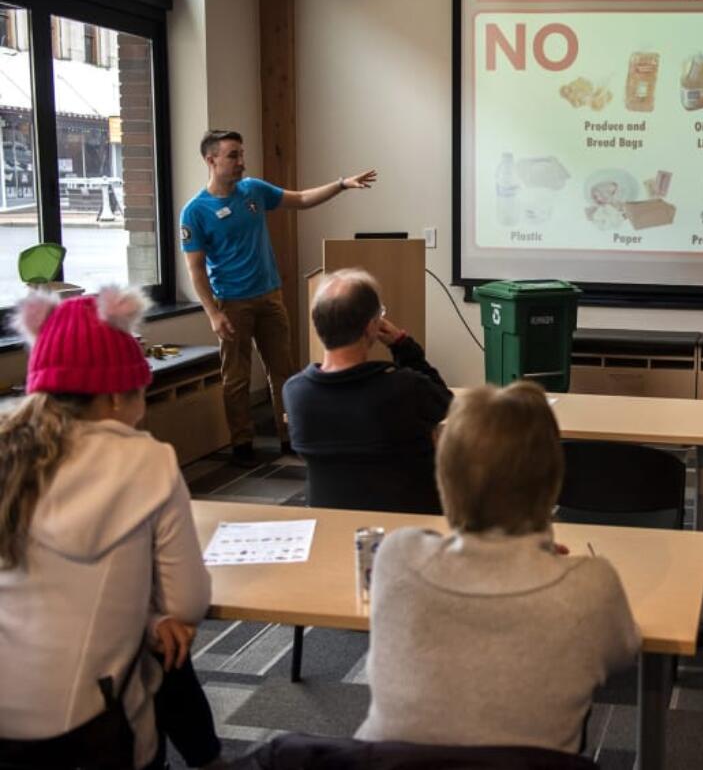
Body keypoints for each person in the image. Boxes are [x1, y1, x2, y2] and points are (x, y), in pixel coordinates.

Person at [355, 382, 640, 752]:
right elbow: (624, 653)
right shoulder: (592, 586)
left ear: (445, 474)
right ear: (553, 478)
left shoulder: (395, 556)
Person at [0, 287, 218, 770]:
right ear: (119, 394)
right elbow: (186, 604)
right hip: (89, 729)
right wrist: (152, 618)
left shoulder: (7, 452)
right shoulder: (145, 461)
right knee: (163, 666)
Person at [180, 129, 377, 466]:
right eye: (233, 155)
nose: (241, 162)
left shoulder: (253, 191)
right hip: (232, 303)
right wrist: (213, 313)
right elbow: (196, 271)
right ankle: (242, 442)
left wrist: (341, 185)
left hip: (269, 298)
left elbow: (300, 199)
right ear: (210, 160)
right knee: (237, 378)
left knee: (283, 371)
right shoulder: (195, 212)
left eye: (242, 154)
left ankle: (290, 436)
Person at [282, 268, 452, 512]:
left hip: (331, 524)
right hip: (409, 526)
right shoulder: (403, 387)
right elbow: (445, 401)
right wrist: (403, 345)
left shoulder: (295, 392)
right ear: (371, 327)